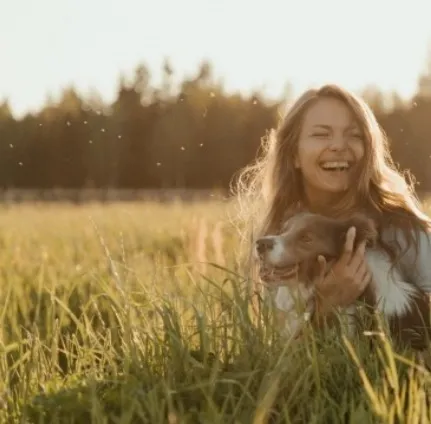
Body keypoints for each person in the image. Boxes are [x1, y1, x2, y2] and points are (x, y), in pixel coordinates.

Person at [235, 83, 431, 338]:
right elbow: (282, 360)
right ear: (293, 153)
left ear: (369, 149)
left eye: (354, 135)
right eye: (321, 134)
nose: (339, 145)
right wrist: (325, 306)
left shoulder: (404, 231)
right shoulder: (277, 233)